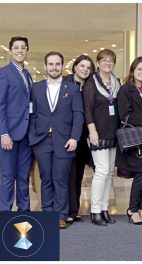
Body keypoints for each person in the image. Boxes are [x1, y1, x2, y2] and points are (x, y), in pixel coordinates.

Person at [28, 51, 84, 229]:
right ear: (45, 67)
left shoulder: (72, 88)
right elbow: (32, 114)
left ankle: (61, 215)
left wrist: (75, 137)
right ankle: (48, 213)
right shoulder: (36, 88)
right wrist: (33, 135)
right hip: (42, 141)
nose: (54, 67)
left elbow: (78, 115)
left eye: (57, 64)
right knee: (46, 179)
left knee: (61, 178)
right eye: (50, 64)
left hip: (65, 141)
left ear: (62, 66)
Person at [82, 49, 121, 226]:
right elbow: (87, 110)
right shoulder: (91, 83)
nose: (107, 63)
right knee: (102, 171)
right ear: (97, 63)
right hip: (98, 133)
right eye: (104, 60)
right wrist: (92, 131)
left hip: (114, 132)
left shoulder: (116, 81)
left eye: (111, 60)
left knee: (109, 173)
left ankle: (104, 209)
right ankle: (95, 210)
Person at [116, 56, 142, 225]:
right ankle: (132, 209)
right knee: (141, 174)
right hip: (136, 138)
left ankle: (140, 208)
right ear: (133, 70)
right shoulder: (125, 90)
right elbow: (125, 116)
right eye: (139, 69)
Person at [0, 36, 33, 212]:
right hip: (10, 135)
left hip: (26, 135)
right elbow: (0, 106)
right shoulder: (4, 73)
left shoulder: (27, 74)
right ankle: (4, 213)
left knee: (23, 176)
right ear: (10, 50)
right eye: (16, 47)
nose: (20, 50)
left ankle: (24, 211)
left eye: (23, 47)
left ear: (27, 50)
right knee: (7, 176)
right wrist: (3, 133)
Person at [65, 55, 95, 224]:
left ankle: (74, 210)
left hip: (85, 137)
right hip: (70, 136)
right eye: (82, 66)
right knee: (69, 174)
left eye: (88, 67)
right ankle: (68, 209)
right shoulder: (66, 83)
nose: (85, 69)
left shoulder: (90, 86)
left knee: (78, 174)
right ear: (75, 66)